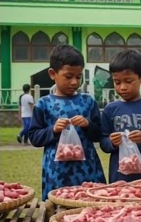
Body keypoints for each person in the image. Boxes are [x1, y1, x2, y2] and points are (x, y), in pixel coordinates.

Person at [27, 45, 105, 197]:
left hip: (87, 170)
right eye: (68, 77)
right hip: (57, 172)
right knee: (56, 207)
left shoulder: (88, 102)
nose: (75, 82)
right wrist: (53, 130)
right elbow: (34, 137)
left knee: (89, 207)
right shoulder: (43, 104)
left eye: (78, 77)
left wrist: (88, 124)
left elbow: (99, 134)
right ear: (52, 74)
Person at [99, 49, 141, 183]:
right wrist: (111, 142)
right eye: (117, 82)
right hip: (119, 177)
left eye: (128, 81)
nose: (123, 87)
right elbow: (103, 142)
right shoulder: (110, 109)